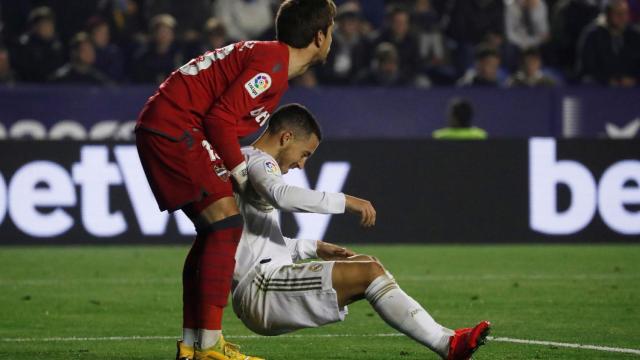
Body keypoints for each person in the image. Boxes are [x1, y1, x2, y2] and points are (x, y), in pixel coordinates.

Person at [134, 1, 337, 360]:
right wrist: (241, 173)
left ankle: (192, 344)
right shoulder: (272, 66)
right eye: (331, 30)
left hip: (172, 124)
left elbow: (219, 116)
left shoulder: (271, 63)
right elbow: (220, 117)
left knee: (214, 232)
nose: (332, 37)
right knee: (226, 226)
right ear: (319, 36)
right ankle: (209, 346)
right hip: (178, 126)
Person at [226, 103, 490, 360]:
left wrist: (313, 247)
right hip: (262, 289)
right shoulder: (261, 162)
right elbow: (280, 195)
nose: (301, 165)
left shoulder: (245, 162)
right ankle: (448, 345)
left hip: (263, 285)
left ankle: (448, 339)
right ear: (286, 137)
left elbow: (254, 240)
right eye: (305, 154)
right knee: (368, 271)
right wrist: (346, 201)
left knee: (368, 265)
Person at [576, 0, 640, 86]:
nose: (622, 18)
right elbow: (587, 66)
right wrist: (608, 79)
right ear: (608, 14)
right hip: (601, 84)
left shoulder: (634, 35)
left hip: (630, 84)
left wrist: (634, 78)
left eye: (625, 13)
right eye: (618, 13)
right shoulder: (593, 35)